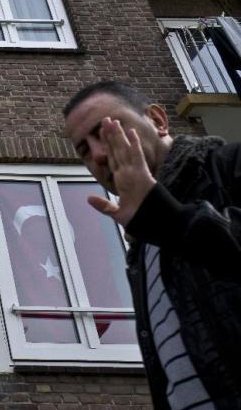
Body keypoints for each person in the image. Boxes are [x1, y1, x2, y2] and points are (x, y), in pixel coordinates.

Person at [62, 81, 241, 410]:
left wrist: (164, 218)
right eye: (85, 150)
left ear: (158, 121)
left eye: (106, 131)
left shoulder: (229, 166)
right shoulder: (143, 251)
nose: (99, 154)